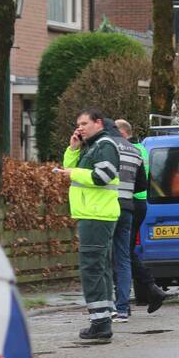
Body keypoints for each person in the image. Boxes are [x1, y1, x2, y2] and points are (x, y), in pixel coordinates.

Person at [59, 108, 120, 341]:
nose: (80, 128)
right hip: (93, 214)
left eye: (84, 123)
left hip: (97, 215)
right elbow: (73, 173)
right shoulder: (92, 146)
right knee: (99, 267)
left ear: (98, 123)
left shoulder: (105, 145)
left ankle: (100, 322)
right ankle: (103, 318)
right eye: (78, 124)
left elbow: (101, 177)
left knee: (91, 269)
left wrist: (74, 171)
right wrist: (73, 150)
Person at [116, 119, 167, 314]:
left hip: (130, 202)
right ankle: (144, 292)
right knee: (125, 251)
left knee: (122, 252)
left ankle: (147, 290)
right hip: (139, 203)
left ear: (122, 134)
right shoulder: (142, 148)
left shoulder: (129, 150)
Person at [102, 118, 142, 322]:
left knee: (104, 258)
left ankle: (107, 307)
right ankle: (123, 307)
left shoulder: (104, 147)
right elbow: (141, 186)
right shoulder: (135, 151)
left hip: (106, 207)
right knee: (123, 257)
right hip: (126, 207)